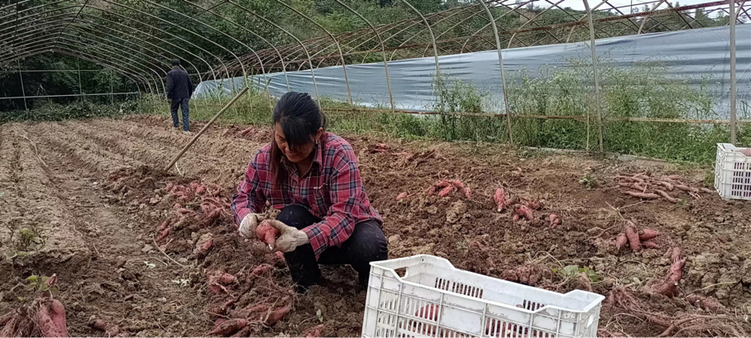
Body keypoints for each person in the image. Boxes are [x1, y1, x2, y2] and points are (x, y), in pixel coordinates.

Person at [231, 92, 387, 292]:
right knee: (289, 216)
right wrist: (246, 218)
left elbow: (344, 215)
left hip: (349, 230)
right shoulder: (265, 158)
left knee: (371, 246)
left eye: (298, 143)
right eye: (282, 139)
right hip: (307, 236)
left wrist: (302, 237)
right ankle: (308, 286)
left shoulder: (338, 153)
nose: (289, 149)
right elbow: (244, 197)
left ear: (318, 135)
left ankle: (371, 291)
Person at [166, 59, 193, 131]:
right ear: (179, 65)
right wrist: (189, 95)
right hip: (185, 95)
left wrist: (169, 95)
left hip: (176, 96)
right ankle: (186, 129)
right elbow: (190, 85)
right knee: (185, 112)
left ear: (171, 66)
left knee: (174, 110)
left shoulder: (170, 73)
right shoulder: (185, 73)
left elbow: (170, 85)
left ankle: (176, 126)